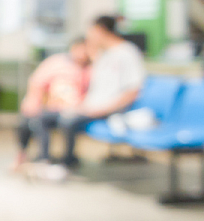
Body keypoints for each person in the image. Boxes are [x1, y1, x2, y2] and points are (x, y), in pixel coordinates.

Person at [40, 16, 146, 168]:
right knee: (43, 116)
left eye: (91, 32)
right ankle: (44, 160)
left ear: (101, 30)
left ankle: (67, 162)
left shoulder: (127, 53)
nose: (89, 36)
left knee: (67, 121)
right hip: (89, 107)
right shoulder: (104, 55)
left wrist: (103, 109)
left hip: (108, 109)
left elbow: (133, 90)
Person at [13, 38, 91, 168]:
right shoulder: (56, 62)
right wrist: (33, 102)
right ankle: (39, 157)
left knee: (66, 121)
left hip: (76, 109)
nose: (82, 54)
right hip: (52, 107)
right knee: (30, 119)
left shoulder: (90, 68)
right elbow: (37, 82)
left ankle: (68, 158)